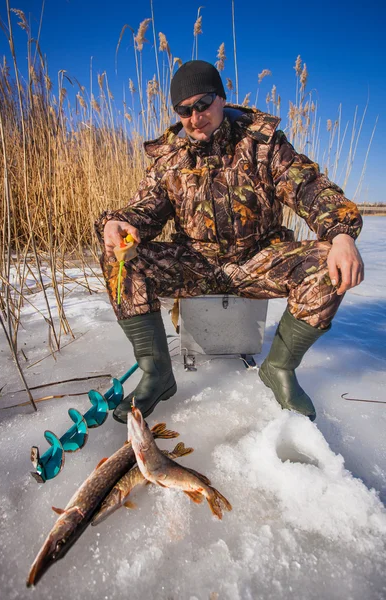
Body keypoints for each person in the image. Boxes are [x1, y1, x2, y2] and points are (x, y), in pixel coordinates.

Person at [95, 60, 364, 424]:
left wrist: (342, 234)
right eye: (184, 110)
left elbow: (310, 189)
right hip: (195, 263)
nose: (194, 117)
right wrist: (119, 223)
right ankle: (157, 374)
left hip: (257, 260)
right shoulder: (170, 158)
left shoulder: (264, 145)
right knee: (119, 258)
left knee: (325, 261)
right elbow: (146, 210)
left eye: (202, 104)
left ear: (222, 98)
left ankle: (280, 368)